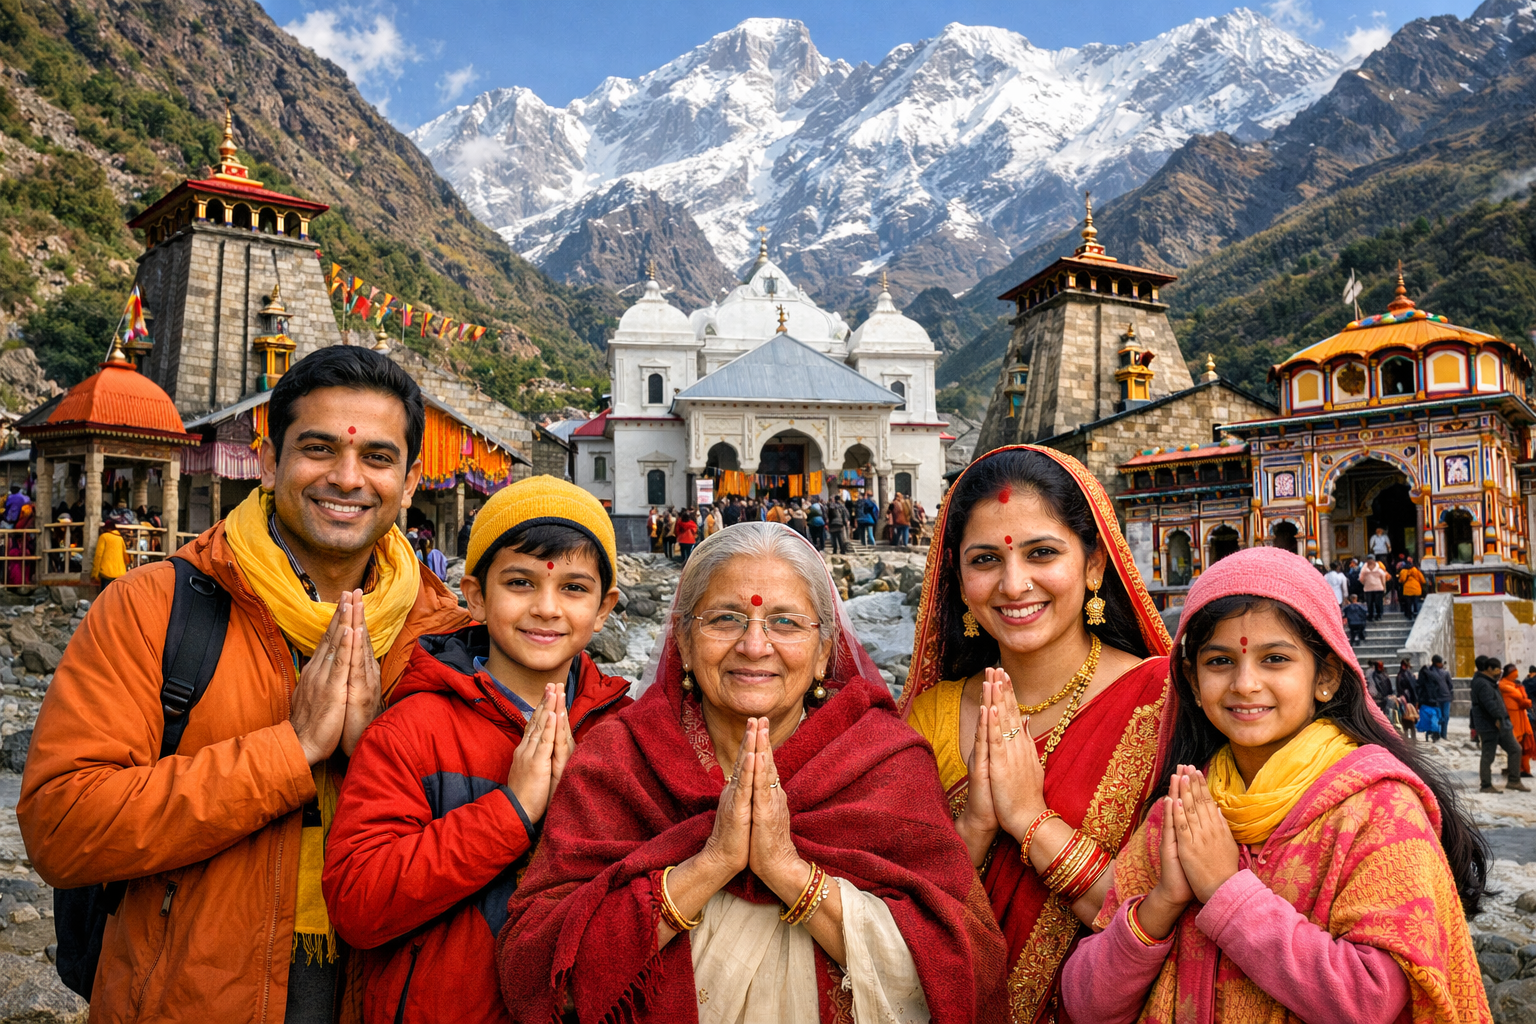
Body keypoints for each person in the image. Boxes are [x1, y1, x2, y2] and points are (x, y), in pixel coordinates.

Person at [19, 347, 473, 1022]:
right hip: (193, 993)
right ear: (269, 462)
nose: (347, 478)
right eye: (318, 448)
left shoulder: (448, 638)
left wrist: (373, 752)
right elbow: (62, 825)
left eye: (377, 458)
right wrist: (290, 753)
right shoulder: (154, 608)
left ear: (410, 481)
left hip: (385, 991)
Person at [499, 522, 1008, 1022]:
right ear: (684, 639)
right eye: (725, 619)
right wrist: (710, 865)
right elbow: (538, 973)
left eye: (785, 622)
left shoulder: (883, 761)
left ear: (824, 651)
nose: (755, 645)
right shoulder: (619, 760)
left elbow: (961, 968)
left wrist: (788, 871)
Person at [1060, 546, 1491, 1024]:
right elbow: (1085, 1003)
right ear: (1192, 679)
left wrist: (1226, 891)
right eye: (1220, 662)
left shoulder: (1378, 810)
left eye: (1275, 659)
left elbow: (1371, 1001)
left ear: (1325, 675)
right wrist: (1159, 905)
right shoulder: (1183, 810)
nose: (1245, 683)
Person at [323, 477, 631, 1024]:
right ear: (475, 597)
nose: (546, 608)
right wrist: (511, 812)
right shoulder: (413, 729)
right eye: (520, 582)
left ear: (604, 608)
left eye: (574, 589)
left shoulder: (625, 734)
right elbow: (357, 901)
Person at [901, 444, 1171, 1021]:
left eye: (1041, 552)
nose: (1014, 583)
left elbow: (1168, 913)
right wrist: (974, 827)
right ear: (958, 576)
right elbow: (896, 923)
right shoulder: (929, 719)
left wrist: (1029, 820)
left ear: (1095, 565)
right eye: (985, 560)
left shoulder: (1163, 702)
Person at [1472, 655, 1527, 792]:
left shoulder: (1488, 681)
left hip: (1499, 724)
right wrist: (1498, 718)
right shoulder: (1483, 684)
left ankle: (1514, 780)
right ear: (1489, 669)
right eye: (1497, 670)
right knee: (1488, 755)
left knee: (1515, 749)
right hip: (1491, 725)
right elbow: (1489, 705)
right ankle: (1486, 785)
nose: (1499, 673)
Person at [1502, 662, 1535, 779]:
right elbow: (1524, 701)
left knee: (1519, 745)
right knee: (1520, 746)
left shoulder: (1518, 684)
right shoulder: (1509, 687)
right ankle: (1518, 772)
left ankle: (1520, 769)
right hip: (1517, 719)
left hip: (1520, 718)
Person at [1418, 654, 1454, 743]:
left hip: (1444, 698)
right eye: (1440, 662)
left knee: (1444, 717)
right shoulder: (1430, 672)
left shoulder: (1444, 673)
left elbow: (1450, 685)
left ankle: (1443, 734)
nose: (1441, 664)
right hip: (1437, 699)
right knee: (1439, 717)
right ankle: (1437, 733)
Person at [92, 518, 126, 589]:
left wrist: (94, 574)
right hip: (120, 573)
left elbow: (98, 555)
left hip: (106, 573)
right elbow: (125, 556)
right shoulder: (120, 538)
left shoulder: (103, 537)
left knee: (105, 596)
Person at [1360, 556, 1389, 620]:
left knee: (1376, 603)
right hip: (1369, 588)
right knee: (1370, 603)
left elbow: (1383, 579)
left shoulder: (1379, 570)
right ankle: (1373, 615)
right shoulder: (1364, 570)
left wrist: (1383, 587)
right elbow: (1361, 579)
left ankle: (1378, 615)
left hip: (1377, 588)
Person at [1398, 555, 1425, 620]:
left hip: (1407, 589)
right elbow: (1423, 580)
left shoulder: (1403, 571)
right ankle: (1417, 614)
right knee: (1416, 602)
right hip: (1416, 589)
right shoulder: (1416, 570)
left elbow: (1401, 580)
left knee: (1408, 603)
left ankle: (1409, 615)